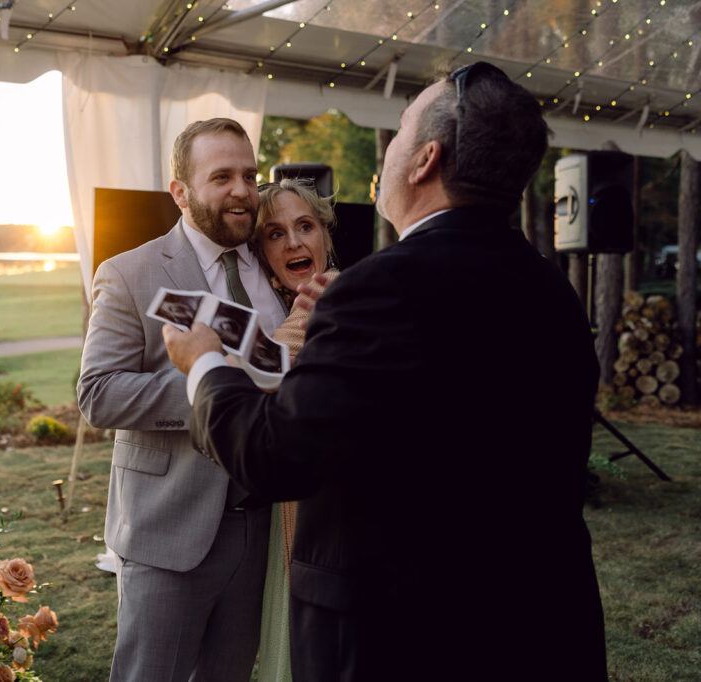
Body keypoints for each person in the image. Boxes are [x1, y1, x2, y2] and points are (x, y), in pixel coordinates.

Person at [163, 63, 607, 681]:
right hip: (539, 630)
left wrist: (204, 361)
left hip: (406, 638)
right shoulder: (551, 292)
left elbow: (276, 457)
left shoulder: (381, 288)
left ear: (424, 160)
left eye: (398, 129)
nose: (390, 146)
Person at [77, 117, 286, 681]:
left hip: (260, 527)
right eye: (222, 176)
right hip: (168, 529)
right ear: (180, 191)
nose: (242, 190)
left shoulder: (276, 265)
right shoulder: (131, 273)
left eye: (249, 175)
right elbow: (97, 394)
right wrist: (211, 380)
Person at [251, 178, 340, 682]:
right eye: (275, 233)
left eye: (305, 226)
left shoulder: (329, 291)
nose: (294, 242)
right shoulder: (280, 302)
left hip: (322, 514)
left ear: (325, 233)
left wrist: (208, 351)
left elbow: (272, 359)